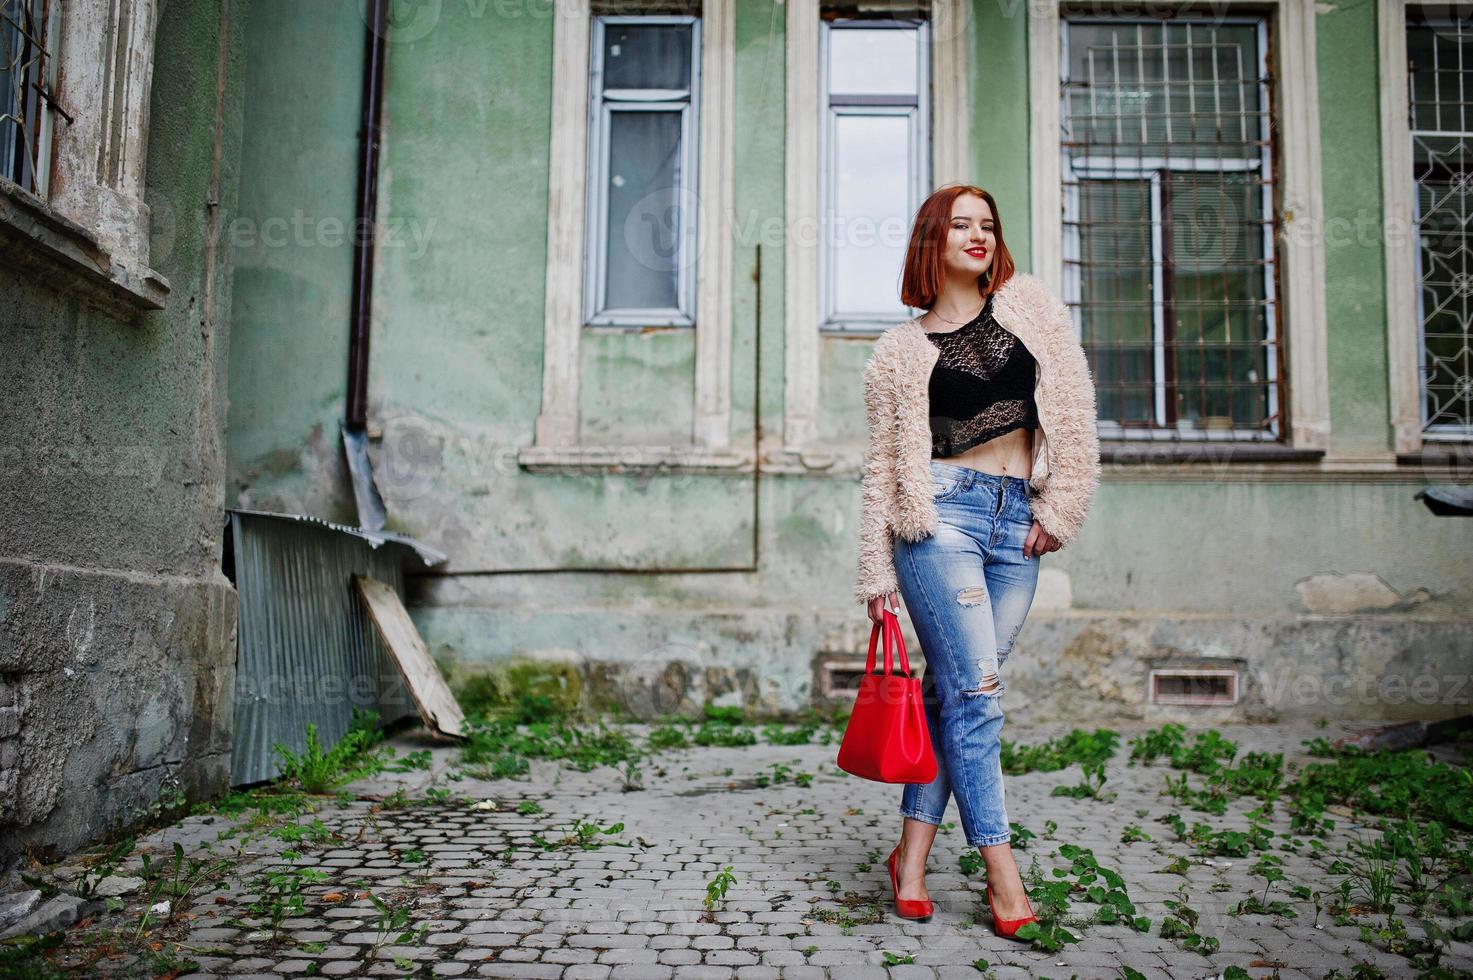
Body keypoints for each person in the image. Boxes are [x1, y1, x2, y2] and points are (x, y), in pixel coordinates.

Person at [854, 183, 1102, 937]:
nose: (978, 235)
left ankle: (909, 858)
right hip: (940, 520)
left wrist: (1060, 510)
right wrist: (874, 571)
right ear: (933, 239)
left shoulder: (1030, 309)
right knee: (978, 695)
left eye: (987, 225)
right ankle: (1002, 875)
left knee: (953, 694)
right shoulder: (898, 351)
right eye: (961, 224)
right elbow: (881, 470)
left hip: (1014, 524)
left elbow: (1075, 411)